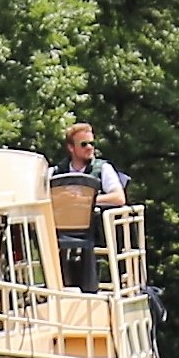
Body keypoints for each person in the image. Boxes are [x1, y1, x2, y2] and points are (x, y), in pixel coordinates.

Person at [52, 123, 126, 292]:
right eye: (84, 144)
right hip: (61, 231)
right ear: (71, 148)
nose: (90, 148)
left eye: (92, 143)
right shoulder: (57, 172)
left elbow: (119, 197)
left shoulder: (103, 169)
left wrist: (87, 200)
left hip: (93, 231)